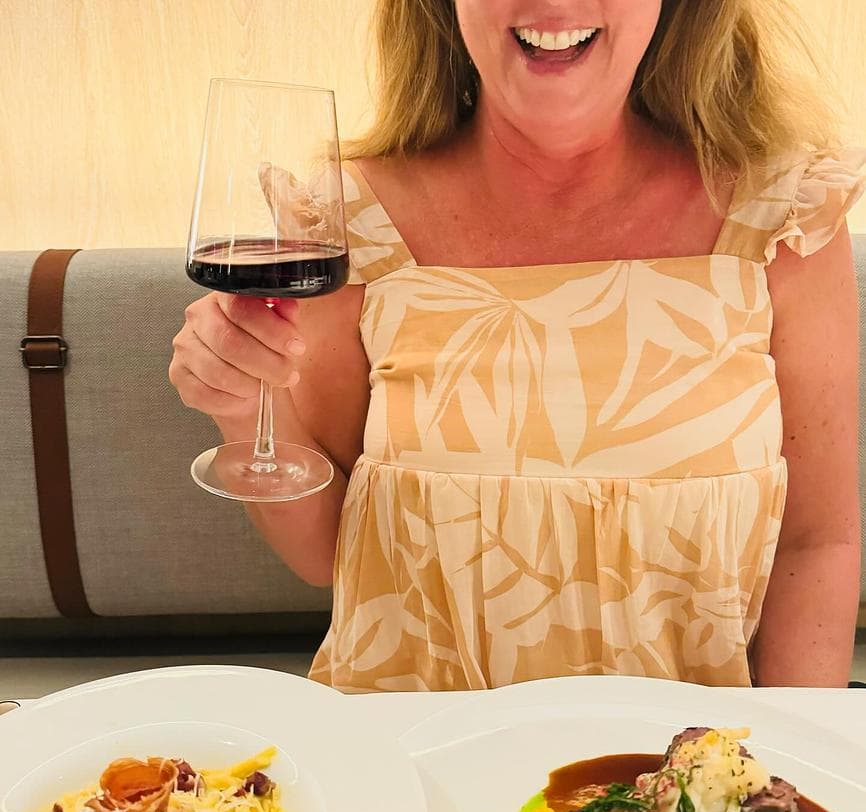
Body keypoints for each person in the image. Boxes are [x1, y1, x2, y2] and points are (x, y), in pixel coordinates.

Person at [170, 0, 864, 692]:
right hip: (409, 741)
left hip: (684, 756)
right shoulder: (349, 221)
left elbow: (818, 542)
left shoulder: (784, 216)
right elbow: (329, 552)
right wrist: (243, 410)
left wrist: (791, 748)